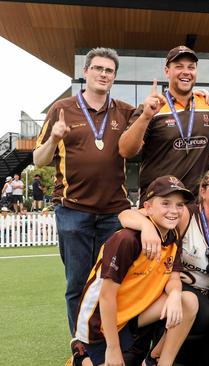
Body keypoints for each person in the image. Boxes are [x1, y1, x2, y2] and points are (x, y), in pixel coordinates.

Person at [33, 47, 134, 340]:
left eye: (109, 71)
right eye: (99, 69)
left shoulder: (125, 111)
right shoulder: (61, 108)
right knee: (77, 284)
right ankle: (81, 346)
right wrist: (53, 138)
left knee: (112, 282)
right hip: (73, 211)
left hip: (114, 213)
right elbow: (39, 159)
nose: (104, 74)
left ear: (114, 77)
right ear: (85, 72)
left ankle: (109, 343)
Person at [119, 168, 209, 365]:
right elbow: (125, 215)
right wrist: (145, 226)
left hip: (207, 297)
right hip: (173, 289)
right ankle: (153, 354)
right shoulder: (186, 214)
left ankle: (170, 348)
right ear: (203, 192)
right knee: (205, 311)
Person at [74, 175, 198, 366]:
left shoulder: (173, 235)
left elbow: (174, 278)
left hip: (134, 314)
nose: (174, 211)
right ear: (147, 208)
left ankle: (158, 361)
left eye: (180, 205)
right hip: (101, 325)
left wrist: (174, 294)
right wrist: (113, 350)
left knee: (188, 301)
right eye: (166, 203)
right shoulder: (127, 240)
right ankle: (81, 355)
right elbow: (106, 297)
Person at [119, 45, 209, 204]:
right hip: (159, 201)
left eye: (191, 67)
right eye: (179, 67)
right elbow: (125, 150)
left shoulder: (208, 106)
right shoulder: (152, 107)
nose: (186, 71)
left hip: (195, 203)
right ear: (167, 71)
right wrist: (145, 116)